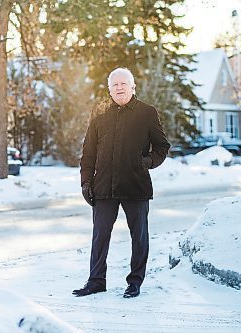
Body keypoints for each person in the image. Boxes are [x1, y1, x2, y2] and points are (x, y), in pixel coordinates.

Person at [73, 67, 170, 298]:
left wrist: (145, 162)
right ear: (109, 89)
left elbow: (162, 147)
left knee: (139, 236)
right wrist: (86, 182)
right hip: (104, 186)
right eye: (114, 85)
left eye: (123, 84)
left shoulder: (147, 113)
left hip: (136, 186)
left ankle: (135, 281)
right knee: (100, 236)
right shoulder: (99, 113)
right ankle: (96, 281)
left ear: (132, 87)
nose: (119, 88)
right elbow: (88, 152)